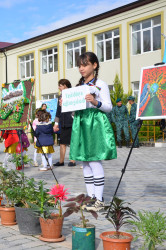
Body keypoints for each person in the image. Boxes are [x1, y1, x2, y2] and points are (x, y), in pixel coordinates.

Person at [69, 52, 116, 212]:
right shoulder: (78, 88)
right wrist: (68, 104)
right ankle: (89, 198)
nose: (81, 68)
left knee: (95, 160)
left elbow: (108, 107)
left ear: (94, 65)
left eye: (85, 65)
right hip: (81, 123)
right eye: (79, 65)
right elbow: (74, 113)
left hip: (95, 124)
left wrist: (95, 102)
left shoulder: (101, 84)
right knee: (84, 161)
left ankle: (99, 199)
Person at [53, 79, 76, 167]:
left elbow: (75, 107)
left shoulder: (72, 95)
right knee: (62, 142)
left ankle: (72, 160)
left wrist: (73, 115)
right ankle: (61, 161)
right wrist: (56, 124)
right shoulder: (60, 97)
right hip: (62, 122)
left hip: (71, 121)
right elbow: (58, 111)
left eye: (60, 85)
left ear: (65, 85)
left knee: (72, 142)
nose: (59, 87)